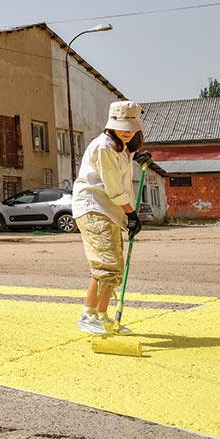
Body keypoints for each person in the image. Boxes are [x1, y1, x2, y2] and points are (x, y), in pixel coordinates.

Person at [72, 100, 145, 335]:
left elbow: (122, 183)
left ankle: (102, 316)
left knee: (115, 268)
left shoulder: (123, 147)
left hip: (110, 211)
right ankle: (88, 315)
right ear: (112, 123)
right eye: (123, 125)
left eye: (132, 126)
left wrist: (138, 157)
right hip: (94, 208)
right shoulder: (105, 146)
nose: (128, 130)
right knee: (106, 264)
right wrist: (132, 214)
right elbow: (114, 189)